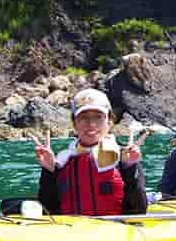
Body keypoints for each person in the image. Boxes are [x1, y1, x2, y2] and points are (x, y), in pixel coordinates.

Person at [33, 88, 148, 216]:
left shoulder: (124, 157)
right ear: (74, 124)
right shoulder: (61, 162)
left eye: (98, 117)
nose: (91, 124)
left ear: (109, 122)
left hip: (114, 231)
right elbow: (48, 210)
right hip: (72, 231)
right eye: (83, 117)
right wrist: (49, 171)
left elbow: (139, 210)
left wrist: (130, 168)